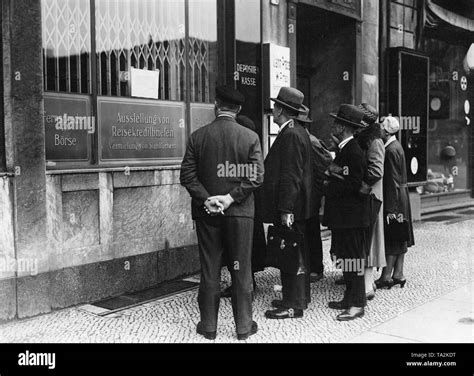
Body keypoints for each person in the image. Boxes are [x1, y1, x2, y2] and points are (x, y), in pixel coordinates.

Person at [180, 86, 264, 340]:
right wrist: (230, 198)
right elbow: (257, 177)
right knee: (240, 267)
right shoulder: (250, 137)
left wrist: (208, 199)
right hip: (240, 215)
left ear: (216, 105)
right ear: (238, 109)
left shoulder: (198, 137)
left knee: (210, 268)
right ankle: (243, 326)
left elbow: (187, 176)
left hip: (207, 214)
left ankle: (208, 327)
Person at [260, 87, 313, 320]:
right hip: (298, 206)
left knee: (290, 255)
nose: (272, 110)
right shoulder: (297, 130)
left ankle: (293, 304)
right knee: (296, 253)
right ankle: (298, 298)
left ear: (280, 110)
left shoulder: (290, 134)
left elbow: (291, 175)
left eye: (275, 106)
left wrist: (285, 210)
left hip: (292, 207)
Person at [323, 104, 370, 321]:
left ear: (342, 127)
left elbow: (352, 185)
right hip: (345, 217)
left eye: (336, 122)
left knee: (353, 261)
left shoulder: (352, 152)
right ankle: (349, 297)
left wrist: (329, 180)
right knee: (346, 260)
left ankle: (357, 304)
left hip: (351, 218)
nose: (332, 125)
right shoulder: (345, 149)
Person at [221, 115, 265, 298]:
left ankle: (245, 287)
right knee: (247, 248)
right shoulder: (251, 147)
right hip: (250, 205)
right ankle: (248, 284)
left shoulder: (239, 150)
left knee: (238, 248)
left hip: (240, 204)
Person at [295, 105, 333, 283]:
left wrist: (318, 188)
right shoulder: (301, 139)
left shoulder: (311, 142)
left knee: (310, 231)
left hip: (310, 194)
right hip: (303, 194)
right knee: (304, 232)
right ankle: (306, 267)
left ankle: (315, 268)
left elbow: (327, 164)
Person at [376, 116, 415, 289]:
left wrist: (390, 208)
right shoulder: (396, 146)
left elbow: (391, 180)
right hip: (401, 196)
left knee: (393, 236)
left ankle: (386, 276)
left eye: (381, 127)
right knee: (400, 236)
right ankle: (398, 273)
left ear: (385, 132)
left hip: (395, 197)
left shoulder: (390, 150)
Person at [356, 103, 386, 301]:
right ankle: (366, 282)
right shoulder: (369, 139)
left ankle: (367, 286)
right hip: (370, 197)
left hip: (371, 198)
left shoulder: (374, 141)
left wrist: (362, 189)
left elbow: (376, 171)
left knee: (369, 242)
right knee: (366, 241)